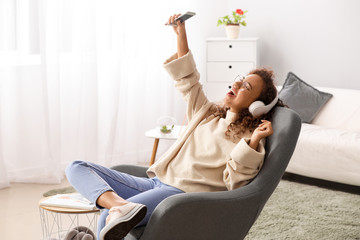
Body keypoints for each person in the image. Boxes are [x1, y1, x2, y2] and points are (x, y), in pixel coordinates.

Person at [65, 13, 285, 240]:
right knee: (76, 167)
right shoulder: (206, 113)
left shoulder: (250, 139)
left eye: (246, 86)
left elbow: (235, 183)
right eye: (240, 79)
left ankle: (115, 212)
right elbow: (188, 79)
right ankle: (120, 206)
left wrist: (254, 141)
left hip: (180, 195)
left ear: (257, 106)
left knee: (106, 218)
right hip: (155, 183)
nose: (236, 83)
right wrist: (181, 34)